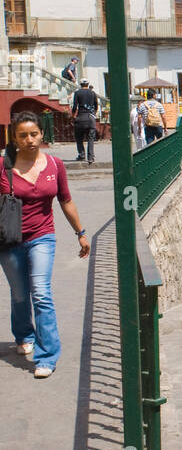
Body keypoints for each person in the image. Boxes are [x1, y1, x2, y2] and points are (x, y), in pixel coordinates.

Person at [0, 111, 90, 378]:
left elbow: (65, 200)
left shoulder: (54, 165)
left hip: (42, 236)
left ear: (41, 134)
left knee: (40, 292)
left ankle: (47, 356)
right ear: (14, 138)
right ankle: (24, 335)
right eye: (22, 135)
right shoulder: (4, 167)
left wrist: (80, 232)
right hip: (9, 240)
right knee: (19, 293)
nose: (29, 139)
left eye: (33, 134)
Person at [70, 80, 100, 163]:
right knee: (91, 138)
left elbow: (75, 107)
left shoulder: (77, 93)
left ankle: (82, 154)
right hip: (90, 118)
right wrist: (93, 114)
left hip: (80, 117)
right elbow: (96, 106)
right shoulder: (93, 93)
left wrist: (73, 116)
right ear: (88, 84)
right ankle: (90, 157)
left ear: (80, 84)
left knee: (79, 137)